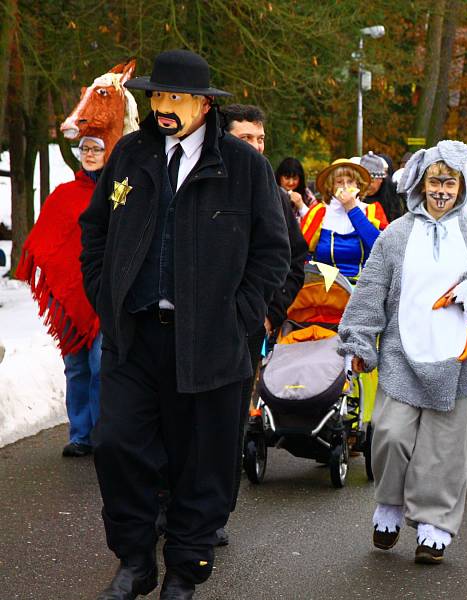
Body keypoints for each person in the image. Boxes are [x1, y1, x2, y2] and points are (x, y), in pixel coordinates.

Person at [80, 49, 290, 599]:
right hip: (136, 336)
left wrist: (243, 315)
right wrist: (107, 295)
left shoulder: (245, 167)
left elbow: (273, 252)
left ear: (203, 103)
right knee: (117, 445)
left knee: (202, 463)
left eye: (175, 97)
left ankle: (184, 569)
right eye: (156, 96)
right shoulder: (130, 155)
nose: (163, 107)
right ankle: (133, 561)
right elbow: (95, 230)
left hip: (211, 343)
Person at [338, 140, 467, 564]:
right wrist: (358, 340)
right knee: (390, 435)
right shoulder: (395, 235)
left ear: (461, 186)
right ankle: (390, 506)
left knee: (442, 449)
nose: (441, 190)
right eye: (435, 180)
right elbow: (371, 290)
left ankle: (434, 524)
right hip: (402, 354)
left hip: (455, 358)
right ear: (419, 182)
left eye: (449, 181)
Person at [218, 103, 307, 546]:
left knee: (228, 418)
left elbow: (294, 258)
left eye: (260, 140)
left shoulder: (269, 193)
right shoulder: (199, 179)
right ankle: (168, 502)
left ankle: (213, 513)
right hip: (184, 324)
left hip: (245, 326)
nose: (255, 148)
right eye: (245, 139)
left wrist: (270, 312)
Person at [16, 136, 106, 458]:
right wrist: (57, 289)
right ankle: (81, 435)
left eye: (97, 149)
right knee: (76, 366)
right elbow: (47, 244)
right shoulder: (63, 195)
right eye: (86, 149)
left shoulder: (118, 195)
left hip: (105, 298)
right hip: (71, 301)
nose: (90, 155)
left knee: (100, 365)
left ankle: (103, 434)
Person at [300, 158, 388, 281]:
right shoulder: (318, 213)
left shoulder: (372, 211)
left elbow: (382, 249)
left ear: (358, 184)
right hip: (325, 291)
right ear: (331, 187)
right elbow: (302, 254)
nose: (345, 187)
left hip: (363, 288)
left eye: (350, 181)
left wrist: (352, 209)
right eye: (340, 182)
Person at [360, 151, 405, 222]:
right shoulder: (354, 197)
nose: (367, 184)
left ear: (381, 179)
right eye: (363, 181)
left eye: (371, 181)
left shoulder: (396, 198)